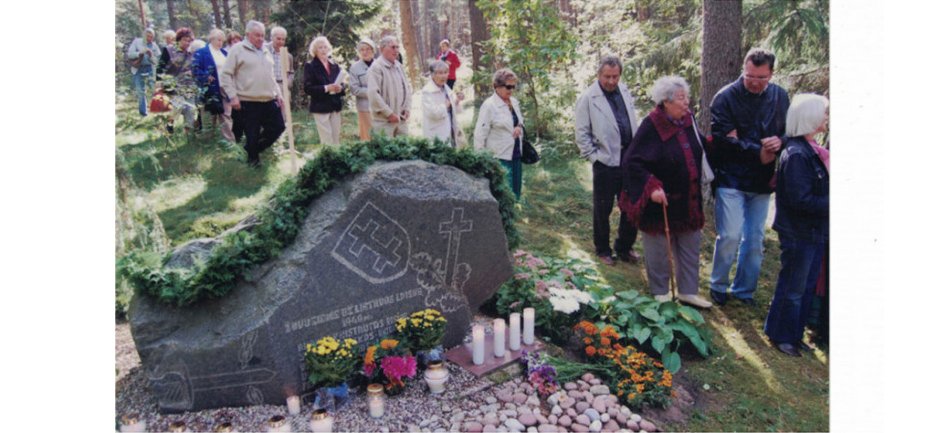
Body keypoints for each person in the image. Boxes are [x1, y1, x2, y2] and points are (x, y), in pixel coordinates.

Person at [619, 76, 712, 308]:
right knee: (659, 248)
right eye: (681, 99)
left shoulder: (688, 120)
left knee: (690, 245)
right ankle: (660, 290)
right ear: (665, 102)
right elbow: (632, 162)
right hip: (661, 200)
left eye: (686, 97)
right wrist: (651, 187)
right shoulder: (652, 124)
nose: (686, 102)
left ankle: (688, 291)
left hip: (688, 198)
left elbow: (700, 146)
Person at [707, 48, 790, 307]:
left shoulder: (779, 97)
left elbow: (790, 132)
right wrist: (759, 151)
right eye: (749, 76)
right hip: (730, 178)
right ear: (743, 69)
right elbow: (723, 140)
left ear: (771, 74)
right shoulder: (725, 97)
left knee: (754, 239)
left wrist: (781, 141)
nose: (754, 82)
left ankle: (744, 290)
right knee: (730, 235)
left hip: (762, 182)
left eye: (761, 78)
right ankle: (718, 284)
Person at [763, 94, 829, 357]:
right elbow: (800, 199)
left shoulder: (810, 150)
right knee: (793, 286)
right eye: (823, 113)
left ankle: (794, 333)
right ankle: (780, 334)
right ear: (810, 117)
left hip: (813, 231)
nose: (826, 118)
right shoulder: (797, 154)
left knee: (806, 285)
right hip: (799, 231)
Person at [574, 55, 641, 266]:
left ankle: (624, 246)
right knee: (603, 208)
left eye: (615, 76)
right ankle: (603, 249)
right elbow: (581, 133)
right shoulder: (588, 98)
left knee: (631, 206)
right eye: (607, 77)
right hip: (605, 162)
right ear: (599, 75)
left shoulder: (625, 91)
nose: (611, 81)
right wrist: (594, 158)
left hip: (629, 159)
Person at [219, 20, 286, 167]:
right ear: (248, 34)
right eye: (257, 35)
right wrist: (232, 96)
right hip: (248, 100)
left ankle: (251, 149)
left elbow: (271, 76)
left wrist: (279, 94)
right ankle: (253, 162)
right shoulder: (237, 50)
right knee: (252, 133)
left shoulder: (266, 50)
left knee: (279, 127)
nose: (261, 38)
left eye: (262, 35)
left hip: (269, 99)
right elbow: (225, 75)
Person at [474, 69, 524, 199]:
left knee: (516, 189)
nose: (511, 90)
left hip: (516, 152)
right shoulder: (489, 106)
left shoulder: (514, 102)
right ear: (497, 86)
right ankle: (501, 217)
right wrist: (481, 158)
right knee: (503, 192)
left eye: (514, 86)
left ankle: (514, 213)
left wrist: (518, 126)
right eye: (508, 86)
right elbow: (480, 133)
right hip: (499, 156)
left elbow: (519, 120)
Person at [303, 36, 346, 146]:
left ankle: (337, 162)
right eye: (320, 48)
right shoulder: (310, 66)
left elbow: (342, 84)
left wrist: (340, 88)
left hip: (335, 106)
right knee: (327, 140)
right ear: (315, 51)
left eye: (325, 47)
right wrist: (326, 88)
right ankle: (328, 162)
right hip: (321, 107)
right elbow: (308, 88)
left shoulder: (334, 65)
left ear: (329, 49)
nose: (323, 50)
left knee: (336, 139)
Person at [367, 35, 412, 138]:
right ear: (382, 49)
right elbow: (373, 94)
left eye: (397, 47)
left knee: (404, 152)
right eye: (393, 47)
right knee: (385, 152)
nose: (396, 50)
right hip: (384, 122)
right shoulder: (376, 68)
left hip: (401, 120)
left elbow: (407, 88)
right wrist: (389, 114)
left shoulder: (398, 66)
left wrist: (407, 108)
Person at [193, 29, 234, 141]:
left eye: (222, 40)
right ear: (211, 39)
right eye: (218, 40)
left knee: (226, 115)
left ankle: (229, 141)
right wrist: (206, 76)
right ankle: (208, 141)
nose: (221, 43)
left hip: (225, 88)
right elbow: (194, 70)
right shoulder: (201, 53)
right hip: (210, 89)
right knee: (209, 116)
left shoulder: (225, 53)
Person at [159, 27, 198, 133]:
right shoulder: (169, 50)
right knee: (177, 107)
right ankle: (169, 124)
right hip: (173, 85)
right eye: (185, 40)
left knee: (190, 109)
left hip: (189, 85)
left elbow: (195, 68)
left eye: (189, 41)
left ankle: (188, 134)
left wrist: (192, 72)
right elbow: (160, 67)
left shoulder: (192, 53)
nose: (187, 43)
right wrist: (159, 83)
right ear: (179, 39)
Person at [421, 60, 465, 147]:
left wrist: (457, 100)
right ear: (432, 75)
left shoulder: (446, 88)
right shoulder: (427, 91)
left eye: (445, 72)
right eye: (440, 73)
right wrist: (446, 105)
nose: (443, 76)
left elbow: (453, 110)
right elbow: (433, 113)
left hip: (450, 131)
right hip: (436, 133)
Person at [126, 28, 160, 116]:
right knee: (140, 91)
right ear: (144, 35)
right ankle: (143, 113)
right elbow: (129, 54)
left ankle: (157, 111)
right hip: (138, 69)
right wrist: (139, 53)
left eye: (151, 37)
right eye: (147, 36)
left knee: (154, 90)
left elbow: (157, 61)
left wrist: (151, 55)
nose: (149, 38)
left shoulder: (154, 46)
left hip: (150, 69)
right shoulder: (137, 42)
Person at [349, 39, 376, 141]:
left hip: (381, 107)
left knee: (381, 135)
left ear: (373, 51)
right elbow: (354, 89)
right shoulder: (355, 68)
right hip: (364, 107)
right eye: (362, 50)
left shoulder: (380, 65)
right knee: (367, 137)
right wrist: (372, 92)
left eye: (368, 49)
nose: (365, 52)